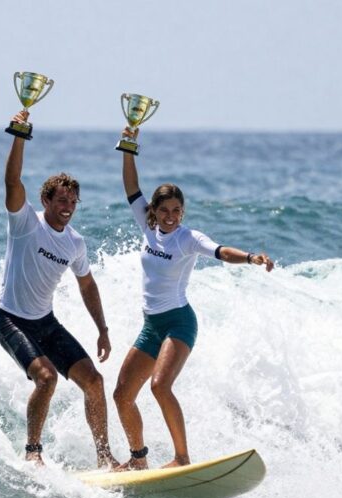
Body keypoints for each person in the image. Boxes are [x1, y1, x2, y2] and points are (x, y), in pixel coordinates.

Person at [113, 127, 274, 471]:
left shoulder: (188, 238)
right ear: (154, 211)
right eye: (165, 210)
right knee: (122, 394)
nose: (171, 216)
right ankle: (138, 459)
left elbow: (220, 251)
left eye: (177, 210)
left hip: (179, 323)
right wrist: (128, 147)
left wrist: (250, 258)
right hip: (151, 326)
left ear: (183, 212)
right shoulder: (147, 226)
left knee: (159, 386)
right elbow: (131, 187)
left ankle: (182, 457)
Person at [0, 110, 118, 468]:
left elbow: (88, 284)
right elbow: (12, 181)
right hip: (10, 320)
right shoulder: (25, 223)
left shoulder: (75, 244)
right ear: (46, 200)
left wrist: (102, 329)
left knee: (93, 380)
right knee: (46, 378)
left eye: (73, 202)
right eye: (61, 201)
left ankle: (104, 457)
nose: (67, 208)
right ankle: (33, 452)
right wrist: (19, 134)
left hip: (46, 322)